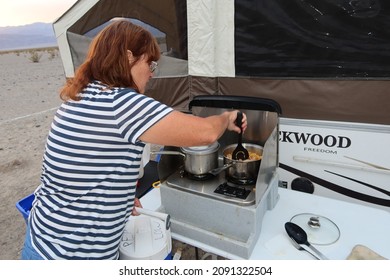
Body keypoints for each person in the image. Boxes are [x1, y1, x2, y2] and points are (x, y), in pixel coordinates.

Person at [21, 20, 247, 260]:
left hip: (42, 241)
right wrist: (228, 117)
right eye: (149, 63)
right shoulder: (120, 103)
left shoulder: (81, 97)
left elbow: (85, 167)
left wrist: (118, 199)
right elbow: (205, 134)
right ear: (129, 56)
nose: (151, 73)